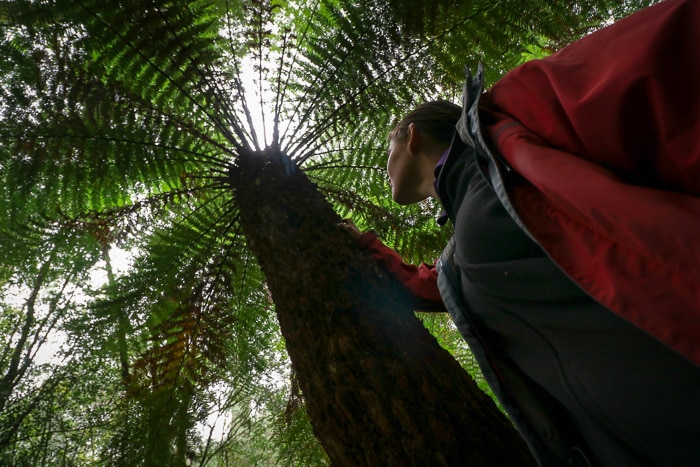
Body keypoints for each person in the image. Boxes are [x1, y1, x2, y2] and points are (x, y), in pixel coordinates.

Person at [340, 0, 700, 465]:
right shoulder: (458, 260)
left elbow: (655, 64)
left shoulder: (512, 121)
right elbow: (433, 288)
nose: (384, 167)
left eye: (387, 149)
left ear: (411, 138)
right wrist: (368, 246)